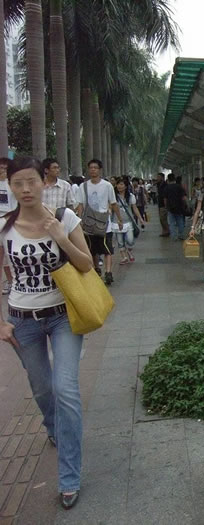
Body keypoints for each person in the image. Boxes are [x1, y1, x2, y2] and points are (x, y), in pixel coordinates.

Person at [0, 157, 93, 510]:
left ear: (44, 182)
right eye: (18, 183)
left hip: (63, 316)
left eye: (32, 181)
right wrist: (1, 322)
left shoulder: (65, 218)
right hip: (22, 320)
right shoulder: (4, 227)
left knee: (64, 388)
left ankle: (69, 476)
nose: (26, 189)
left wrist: (60, 238)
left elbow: (86, 264)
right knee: (41, 388)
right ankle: (55, 428)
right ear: (10, 186)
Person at [75, 159, 122, 285]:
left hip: (104, 223)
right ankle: (96, 269)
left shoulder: (107, 186)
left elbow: (113, 203)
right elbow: (80, 204)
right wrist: (80, 220)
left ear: (100, 170)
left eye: (95, 168)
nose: (93, 170)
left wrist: (119, 219)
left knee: (107, 249)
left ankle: (108, 272)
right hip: (89, 223)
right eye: (91, 168)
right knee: (92, 249)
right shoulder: (83, 186)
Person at [113, 177, 145, 265]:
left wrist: (141, 219)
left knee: (130, 241)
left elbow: (135, 209)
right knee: (120, 241)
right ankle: (124, 257)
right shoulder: (113, 197)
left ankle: (128, 250)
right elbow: (110, 208)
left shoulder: (131, 196)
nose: (119, 186)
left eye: (121, 184)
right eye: (118, 184)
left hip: (128, 222)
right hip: (117, 222)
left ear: (126, 186)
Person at [0, 157, 17, 295]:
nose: (3, 171)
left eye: (6, 168)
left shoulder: (13, 184)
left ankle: (14, 281)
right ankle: (8, 282)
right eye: (1, 168)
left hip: (11, 220)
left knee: (11, 253)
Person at [163, 173, 188, 241]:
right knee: (180, 221)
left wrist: (166, 206)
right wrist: (185, 205)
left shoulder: (166, 188)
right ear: (174, 179)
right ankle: (181, 235)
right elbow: (184, 198)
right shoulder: (179, 187)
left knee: (171, 223)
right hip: (179, 207)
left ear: (168, 179)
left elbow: (165, 199)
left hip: (170, 207)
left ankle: (173, 237)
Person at [156, 173, 169, 237]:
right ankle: (165, 230)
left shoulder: (165, 185)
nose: (157, 178)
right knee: (161, 219)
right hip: (160, 203)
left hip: (163, 204)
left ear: (162, 177)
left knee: (163, 218)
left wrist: (166, 204)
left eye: (159, 177)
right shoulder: (158, 185)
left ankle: (167, 230)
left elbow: (165, 195)